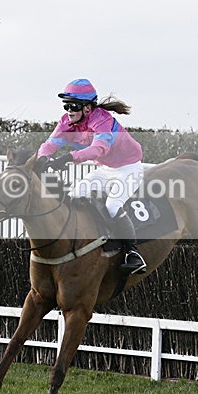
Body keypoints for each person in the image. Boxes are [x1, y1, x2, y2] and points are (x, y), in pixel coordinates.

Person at [37, 78, 148, 275]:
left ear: (87, 108)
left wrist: (69, 157)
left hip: (128, 168)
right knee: (74, 196)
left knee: (113, 205)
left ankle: (133, 253)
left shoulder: (102, 120)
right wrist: (43, 158)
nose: (68, 110)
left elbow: (99, 149)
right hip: (105, 169)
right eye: (66, 105)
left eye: (73, 106)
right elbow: (49, 144)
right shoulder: (66, 122)